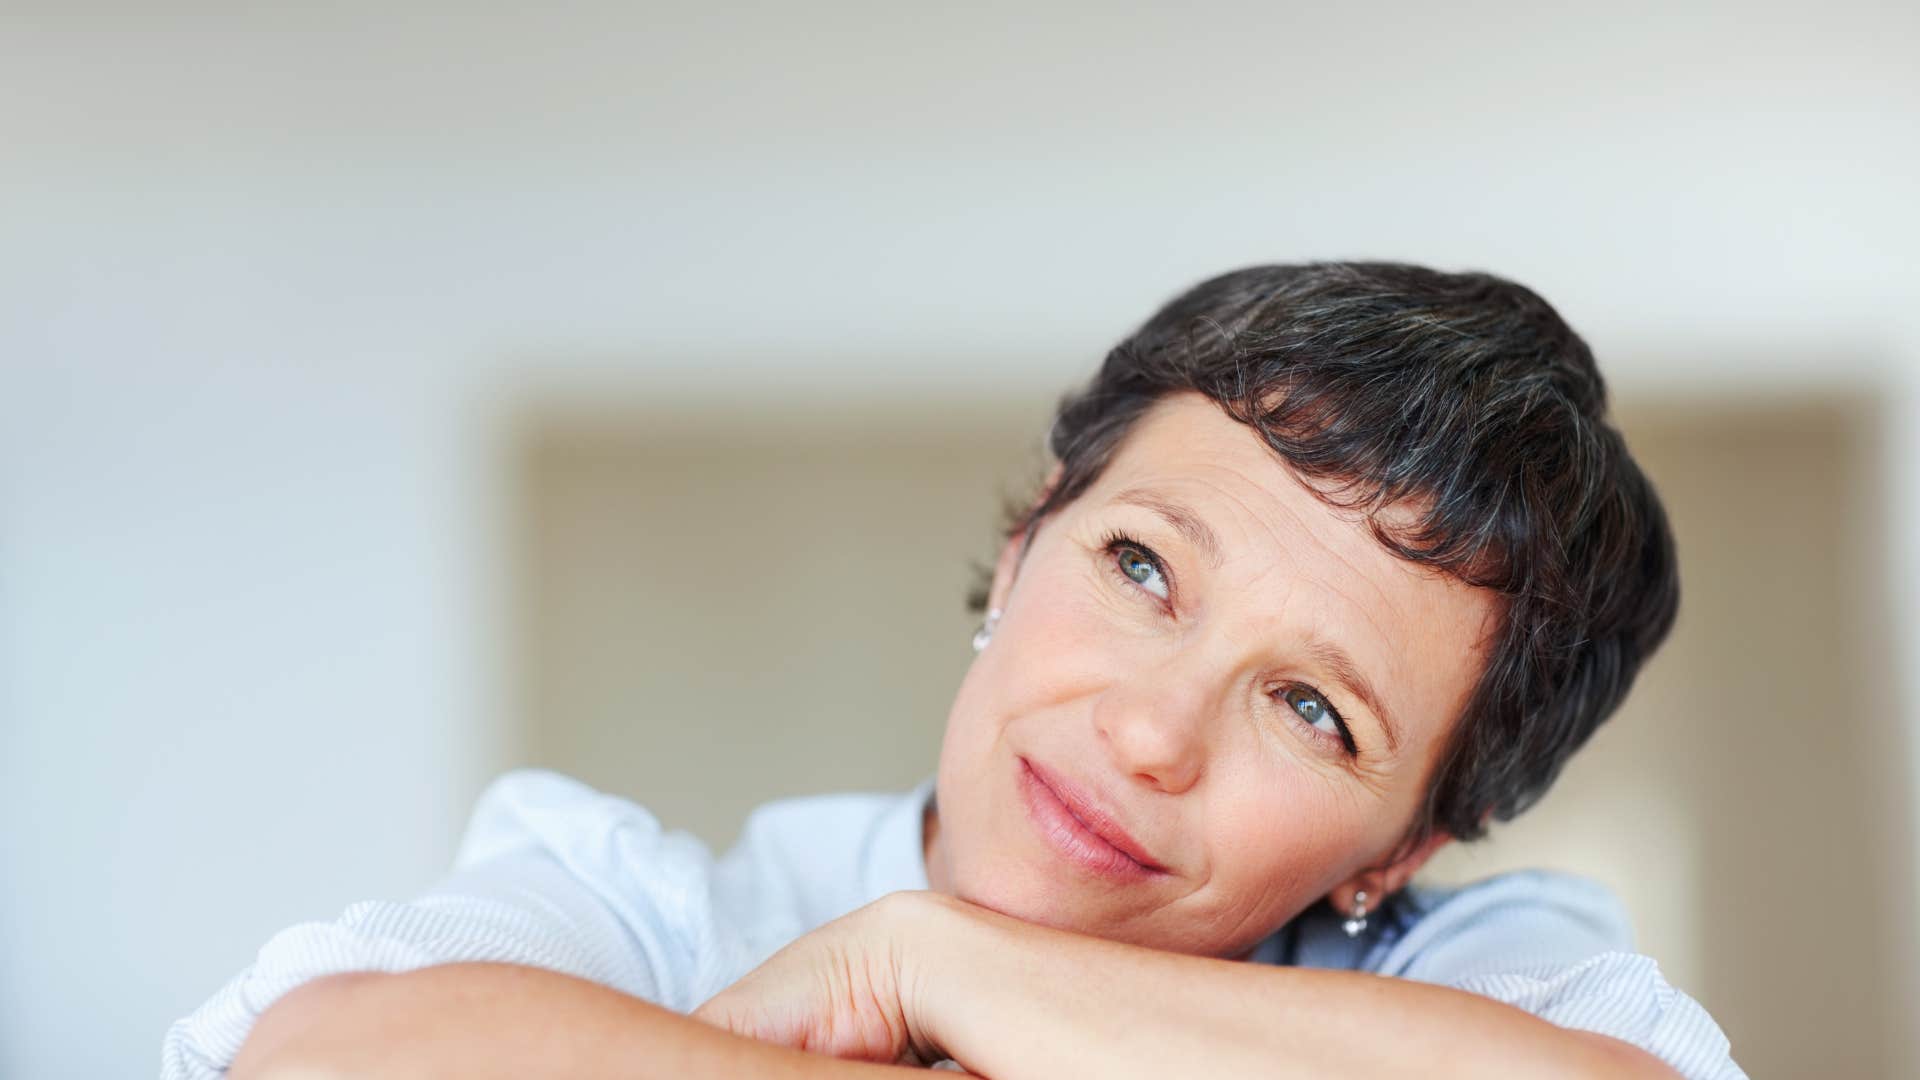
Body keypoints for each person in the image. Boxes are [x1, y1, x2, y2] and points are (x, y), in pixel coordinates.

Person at [163, 262, 1745, 1078]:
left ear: (1396, 851)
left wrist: (925, 966)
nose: (1148, 731)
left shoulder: (1468, 979)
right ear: (1025, 544)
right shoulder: (655, 916)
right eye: (1142, 570)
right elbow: (314, 1058)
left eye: (1313, 709)